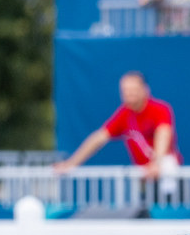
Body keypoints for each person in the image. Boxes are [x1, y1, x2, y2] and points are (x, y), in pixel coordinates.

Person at [54, 71, 182, 182]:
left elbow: (163, 134)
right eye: (125, 90)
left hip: (167, 174)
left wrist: (156, 164)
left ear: (145, 89)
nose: (129, 94)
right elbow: (99, 138)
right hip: (144, 177)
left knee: (173, 209)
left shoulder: (160, 109)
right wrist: (71, 164)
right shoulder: (125, 114)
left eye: (133, 90)